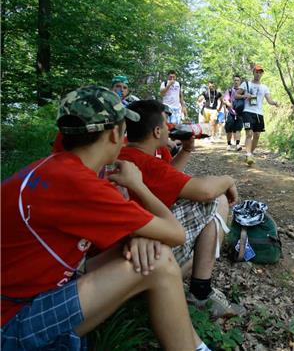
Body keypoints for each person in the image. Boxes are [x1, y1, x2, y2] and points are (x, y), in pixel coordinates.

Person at [1, 86, 211, 350]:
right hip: (11, 323)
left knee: (148, 248)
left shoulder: (54, 168)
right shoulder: (79, 183)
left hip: (31, 293)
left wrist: (138, 234)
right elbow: (176, 234)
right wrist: (138, 185)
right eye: (124, 130)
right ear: (114, 134)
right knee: (158, 259)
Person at [119, 100, 246, 319]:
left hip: (128, 246)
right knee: (217, 200)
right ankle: (200, 293)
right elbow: (204, 191)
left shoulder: (126, 155)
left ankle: (182, 280)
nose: (170, 127)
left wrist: (186, 150)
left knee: (200, 246)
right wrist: (228, 180)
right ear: (157, 130)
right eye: (166, 123)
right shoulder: (147, 163)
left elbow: (166, 179)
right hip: (140, 251)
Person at [236, 64, 279, 165]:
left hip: (259, 114)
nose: (258, 74)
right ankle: (248, 154)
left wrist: (275, 103)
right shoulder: (246, 84)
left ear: (262, 74)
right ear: (253, 72)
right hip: (247, 112)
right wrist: (244, 96)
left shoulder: (264, 87)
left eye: (260, 72)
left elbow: (269, 100)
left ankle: (250, 153)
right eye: (257, 72)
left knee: (257, 135)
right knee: (249, 133)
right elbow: (236, 95)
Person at [223, 75, 244, 151]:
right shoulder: (229, 90)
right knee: (229, 129)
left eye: (238, 80)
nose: (236, 82)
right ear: (233, 81)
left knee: (238, 129)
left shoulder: (243, 91)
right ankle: (229, 144)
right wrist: (231, 106)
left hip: (240, 113)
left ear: (240, 81)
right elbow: (225, 100)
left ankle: (238, 144)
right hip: (231, 113)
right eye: (235, 80)